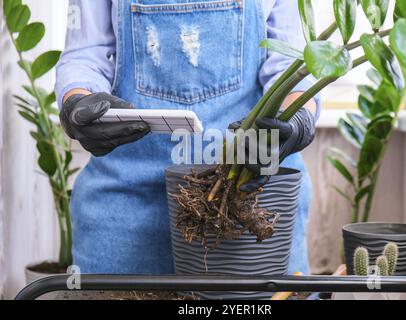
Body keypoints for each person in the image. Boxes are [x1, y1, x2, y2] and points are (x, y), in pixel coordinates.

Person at [56, 0, 319, 275]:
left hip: (251, 193)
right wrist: (76, 102)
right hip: (127, 204)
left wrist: (298, 117)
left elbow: (294, 59)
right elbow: (85, 54)